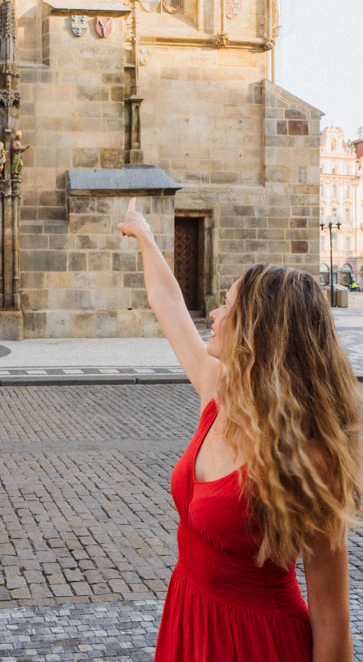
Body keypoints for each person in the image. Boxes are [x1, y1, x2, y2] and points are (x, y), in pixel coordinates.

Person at [116, 200, 361, 662]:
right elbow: (167, 303)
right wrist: (145, 237)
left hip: (254, 643)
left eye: (226, 305)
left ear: (258, 330)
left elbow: (332, 617)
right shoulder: (218, 394)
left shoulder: (311, 457)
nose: (214, 313)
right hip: (188, 617)